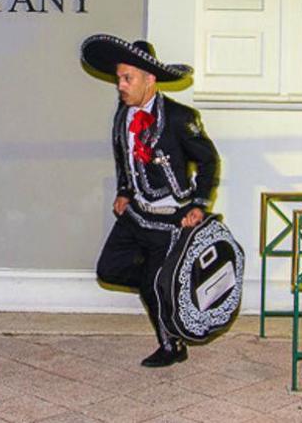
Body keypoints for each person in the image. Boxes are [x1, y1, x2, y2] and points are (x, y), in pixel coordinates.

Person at [80, 34, 219, 367]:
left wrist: (198, 205)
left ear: (149, 79)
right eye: (119, 79)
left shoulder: (179, 117)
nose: (121, 85)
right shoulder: (122, 114)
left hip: (171, 219)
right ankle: (166, 283)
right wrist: (125, 191)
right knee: (109, 269)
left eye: (128, 78)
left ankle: (172, 346)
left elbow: (209, 160)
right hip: (137, 216)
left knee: (155, 283)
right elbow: (124, 157)